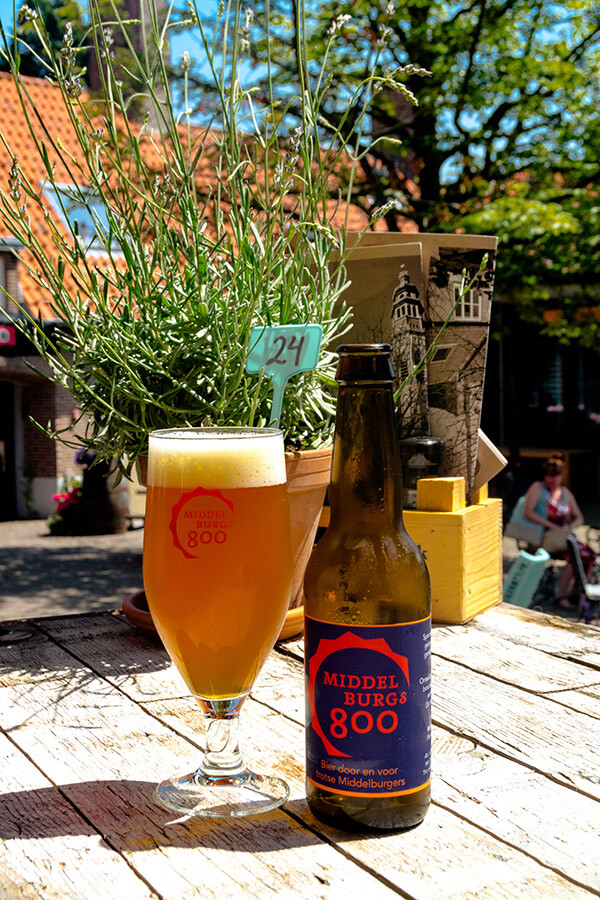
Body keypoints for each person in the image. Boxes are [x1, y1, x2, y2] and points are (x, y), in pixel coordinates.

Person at [523, 452, 595, 603]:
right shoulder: (538, 488)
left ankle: (577, 594)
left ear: (561, 476)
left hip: (561, 539)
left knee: (589, 555)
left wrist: (568, 528)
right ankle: (561, 596)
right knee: (574, 556)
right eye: (548, 475)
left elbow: (579, 517)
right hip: (542, 539)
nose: (551, 479)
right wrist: (551, 525)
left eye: (555, 475)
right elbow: (528, 513)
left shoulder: (565, 493)